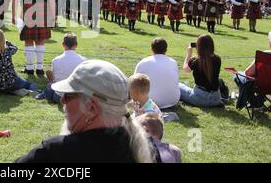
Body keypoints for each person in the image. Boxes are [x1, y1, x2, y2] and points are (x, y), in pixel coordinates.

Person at [16, 60, 155, 163]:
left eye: (68, 95)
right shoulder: (145, 149)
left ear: (91, 108)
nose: (63, 100)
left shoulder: (55, 153)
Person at [12, 0, 55, 76]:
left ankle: (30, 69)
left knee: (28, 40)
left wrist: (13, 15)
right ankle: (40, 69)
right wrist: (53, 16)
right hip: (43, 11)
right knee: (40, 40)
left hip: (28, 11)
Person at [0, 29, 37, 95]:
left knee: (1, 89)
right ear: (3, 39)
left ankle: (13, 92)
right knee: (31, 84)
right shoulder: (8, 50)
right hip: (12, 81)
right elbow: (15, 48)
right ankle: (30, 92)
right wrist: (6, 41)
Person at [38, 33, 86, 103]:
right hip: (77, 96)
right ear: (76, 44)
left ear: (63, 44)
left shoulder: (56, 60)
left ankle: (43, 94)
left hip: (59, 96)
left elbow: (53, 79)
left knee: (50, 85)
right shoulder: (84, 60)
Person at [134, 38, 180, 109]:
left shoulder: (143, 62)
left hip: (149, 102)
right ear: (166, 49)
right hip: (172, 100)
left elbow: (134, 83)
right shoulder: (173, 62)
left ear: (151, 49)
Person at [180, 35, 223, 107]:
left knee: (178, 86)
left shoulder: (196, 60)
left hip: (200, 98)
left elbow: (185, 69)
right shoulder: (217, 59)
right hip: (217, 98)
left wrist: (189, 54)